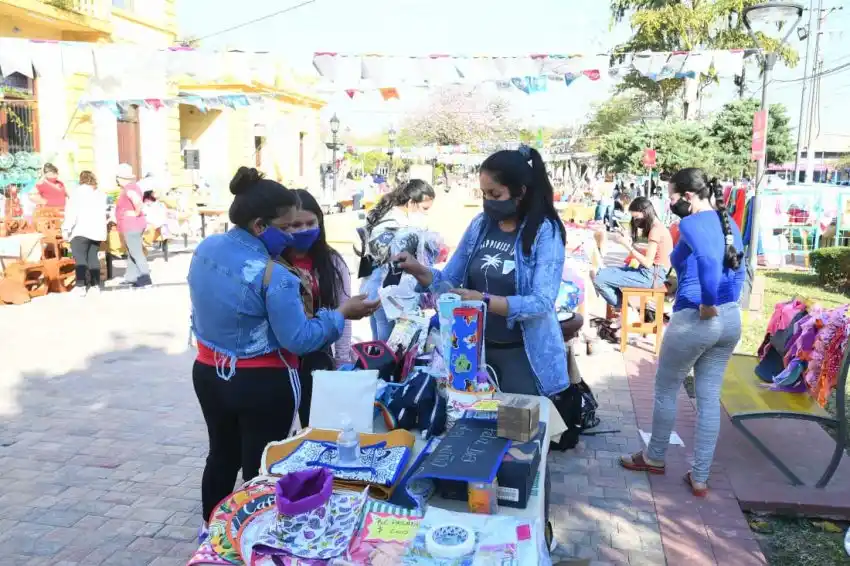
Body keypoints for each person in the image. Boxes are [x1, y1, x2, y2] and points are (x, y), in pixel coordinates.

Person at [188, 167, 379, 533]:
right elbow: (300, 339)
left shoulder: (207, 247)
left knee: (220, 454)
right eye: (287, 227)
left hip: (209, 371)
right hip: (262, 381)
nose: (295, 235)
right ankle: (252, 531)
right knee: (261, 461)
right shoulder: (274, 275)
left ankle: (211, 529)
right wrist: (340, 314)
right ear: (260, 226)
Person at [394, 147, 568, 397]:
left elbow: (541, 302)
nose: (488, 201)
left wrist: (484, 300)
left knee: (518, 430)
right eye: (484, 194)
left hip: (523, 356)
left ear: (520, 192)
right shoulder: (480, 226)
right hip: (473, 352)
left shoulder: (544, 232)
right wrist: (418, 269)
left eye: (495, 194)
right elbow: (450, 281)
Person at [619, 168, 745, 497]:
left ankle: (654, 456)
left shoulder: (692, 222)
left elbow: (707, 262)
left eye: (672, 197)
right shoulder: (727, 222)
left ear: (688, 197)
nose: (670, 203)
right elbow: (731, 266)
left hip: (698, 317)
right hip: (731, 319)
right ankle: (700, 477)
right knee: (708, 398)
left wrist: (706, 302)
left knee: (666, 387)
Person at [284, 189, 353, 425]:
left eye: (310, 223)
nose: (304, 230)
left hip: (318, 358)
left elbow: (345, 311)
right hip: (280, 360)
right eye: (295, 224)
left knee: (315, 425)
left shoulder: (332, 263)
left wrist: (343, 360)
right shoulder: (272, 262)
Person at [357, 179, 437, 341]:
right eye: (424, 209)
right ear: (411, 203)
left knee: (378, 345)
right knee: (390, 349)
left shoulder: (383, 217)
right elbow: (398, 263)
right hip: (389, 294)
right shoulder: (399, 227)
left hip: (372, 289)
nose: (426, 214)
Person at [592, 196, 673, 318]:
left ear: (645, 213)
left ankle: (623, 308)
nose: (635, 221)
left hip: (651, 276)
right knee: (604, 272)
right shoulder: (659, 227)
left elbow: (647, 262)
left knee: (599, 278)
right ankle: (624, 307)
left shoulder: (655, 231)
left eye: (636, 218)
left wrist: (627, 246)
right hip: (653, 273)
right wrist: (631, 244)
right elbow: (651, 255)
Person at [62, 171, 107, 296]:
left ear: (81, 180)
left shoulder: (76, 193)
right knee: (93, 258)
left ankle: (80, 285)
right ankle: (95, 285)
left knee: (80, 258)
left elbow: (71, 213)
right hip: (96, 231)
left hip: (80, 230)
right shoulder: (100, 195)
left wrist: (66, 229)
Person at [114, 164, 151, 288]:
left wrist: (135, 211)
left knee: (136, 252)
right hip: (135, 224)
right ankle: (131, 277)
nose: (117, 180)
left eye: (117, 177)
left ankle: (145, 278)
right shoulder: (134, 187)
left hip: (131, 225)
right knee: (132, 252)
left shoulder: (129, 188)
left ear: (121, 178)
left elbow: (137, 201)